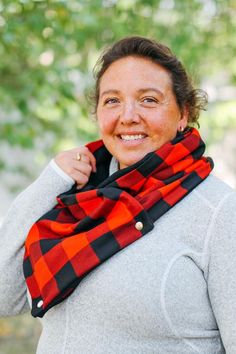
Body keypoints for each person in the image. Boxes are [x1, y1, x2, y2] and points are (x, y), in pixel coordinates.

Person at [0, 36, 236, 354]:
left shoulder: (219, 211)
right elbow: (4, 296)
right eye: (112, 100)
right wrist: (50, 180)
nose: (127, 116)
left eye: (148, 100)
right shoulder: (75, 195)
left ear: (184, 112)